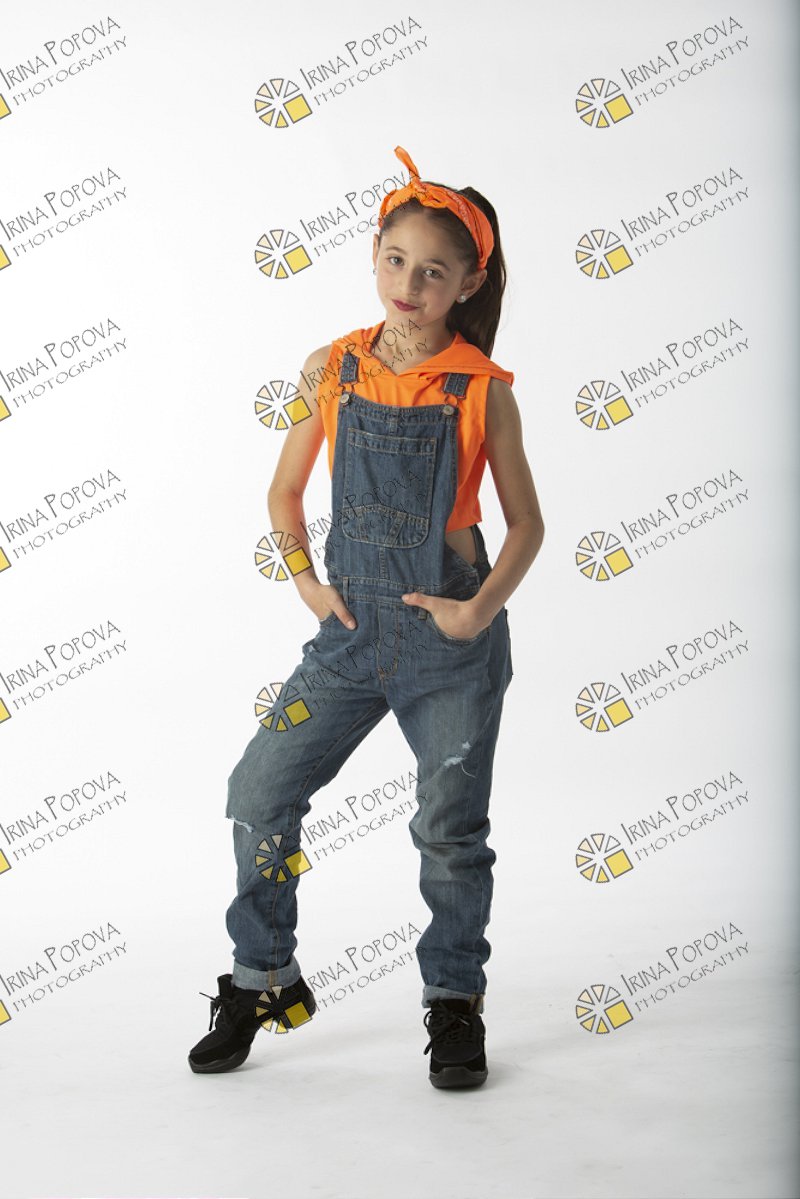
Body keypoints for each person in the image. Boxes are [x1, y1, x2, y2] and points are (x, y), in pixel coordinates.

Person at [188, 145, 545, 1088]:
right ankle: (262, 976)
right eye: (395, 261)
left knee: (448, 831)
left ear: (468, 283)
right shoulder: (333, 368)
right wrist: (307, 583)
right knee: (258, 791)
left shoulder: (482, 387)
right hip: (348, 640)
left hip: (449, 646)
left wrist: (477, 613)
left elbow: (528, 525)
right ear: (374, 256)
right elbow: (284, 491)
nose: (409, 286)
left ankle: (454, 1001)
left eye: (433, 272)